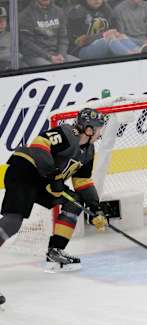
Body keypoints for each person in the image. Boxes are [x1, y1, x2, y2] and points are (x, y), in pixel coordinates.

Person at [0, 108, 108, 278]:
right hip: (25, 172)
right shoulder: (67, 133)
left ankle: (55, 252)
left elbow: (82, 181)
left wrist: (95, 207)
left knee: (73, 201)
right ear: (89, 129)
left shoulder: (88, 151)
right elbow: (39, 143)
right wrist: (52, 174)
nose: (101, 132)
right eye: (99, 128)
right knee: (13, 222)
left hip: (46, 182)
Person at [67, 0, 140, 59]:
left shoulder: (106, 9)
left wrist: (115, 33)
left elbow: (116, 30)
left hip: (106, 43)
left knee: (120, 36)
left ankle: (140, 50)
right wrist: (103, 35)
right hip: (81, 50)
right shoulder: (76, 12)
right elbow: (78, 41)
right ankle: (131, 57)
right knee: (109, 38)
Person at [18, 0, 78, 66]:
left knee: (79, 65)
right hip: (35, 56)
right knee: (52, 70)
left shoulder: (59, 11)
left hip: (57, 54)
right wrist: (49, 57)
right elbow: (28, 43)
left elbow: (63, 37)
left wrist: (61, 54)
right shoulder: (25, 15)